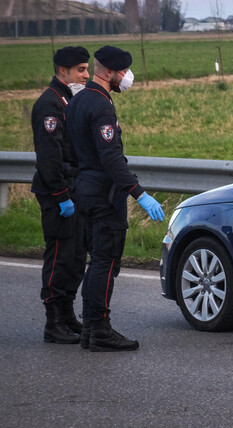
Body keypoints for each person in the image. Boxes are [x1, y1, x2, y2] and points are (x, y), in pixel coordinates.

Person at [66, 45, 165, 352]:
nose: (126, 77)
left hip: (83, 189)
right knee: (105, 263)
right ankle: (99, 330)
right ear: (108, 72)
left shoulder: (77, 101)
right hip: (103, 194)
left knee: (96, 261)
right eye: (123, 72)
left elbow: (70, 152)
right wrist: (140, 194)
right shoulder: (101, 106)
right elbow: (111, 158)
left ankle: (89, 331)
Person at [31, 46, 91, 344]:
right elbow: (49, 156)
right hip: (58, 192)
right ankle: (53, 322)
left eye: (87, 68)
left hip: (75, 188)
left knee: (77, 256)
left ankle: (67, 315)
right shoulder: (50, 104)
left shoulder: (70, 99)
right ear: (63, 71)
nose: (86, 74)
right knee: (60, 256)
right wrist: (60, 194)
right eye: (81, 69)